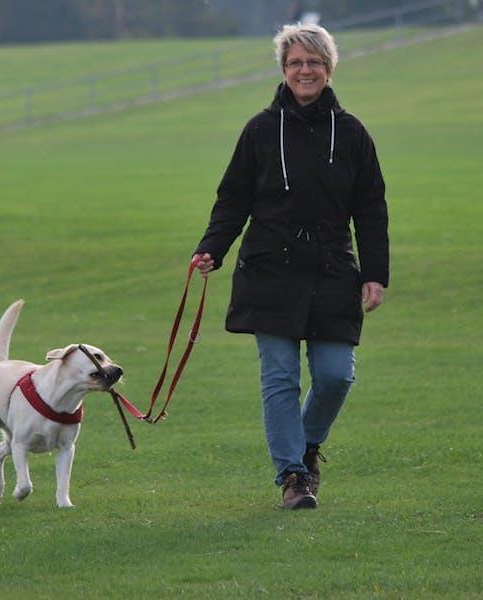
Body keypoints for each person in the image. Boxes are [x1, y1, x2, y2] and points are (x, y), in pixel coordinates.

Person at [192, 23, 389, 510]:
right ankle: (294, 476)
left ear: (328, 70)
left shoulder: (352, 132)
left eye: (315, 62)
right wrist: (212, 247)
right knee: (279, 376)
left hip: (332, 268)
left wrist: (374, 272)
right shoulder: (260, 130)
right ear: (284, 69)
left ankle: (307, 446)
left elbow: (371, 208)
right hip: (270, 268)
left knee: (335, 375)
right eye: (297, 62)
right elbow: (232, 198)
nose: (306, 70)